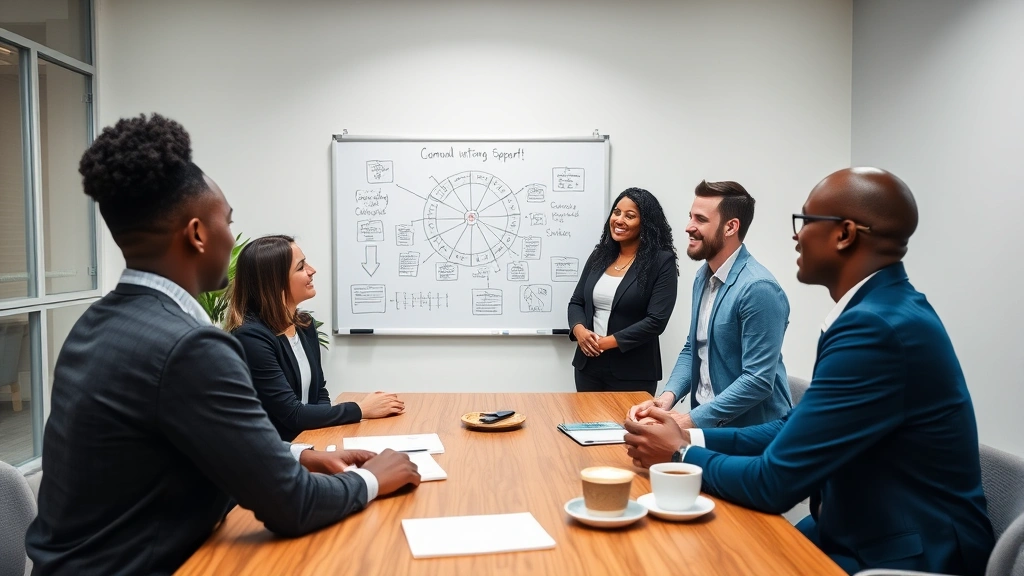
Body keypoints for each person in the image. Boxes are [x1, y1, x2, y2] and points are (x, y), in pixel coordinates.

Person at [25, 114, 421, 575]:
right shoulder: (189, 347)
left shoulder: (96, 325)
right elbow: (290, 506)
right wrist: (373, 478)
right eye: (228, 223)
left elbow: (191, 445)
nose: (233, 238)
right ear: (197, 234)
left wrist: (301, 455)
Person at [623, 168, 994, 575]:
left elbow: (773, 485)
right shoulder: (874, 312)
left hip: (910, 551)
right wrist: (689, 434)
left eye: (805, 221)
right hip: (856, 523)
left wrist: (680, 452)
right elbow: (791, 427)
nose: (796, 236)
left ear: (845, 234)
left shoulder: (876, 329)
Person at [627, 180, 792, 429]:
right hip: (709, 425)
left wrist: (688, 421)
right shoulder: (703, 277)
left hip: (753, 435)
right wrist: (665, 399)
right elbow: (693, 348)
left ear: (730, 227)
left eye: (700, 220)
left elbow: (757, 380)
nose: (688, 227)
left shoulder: (758, 288)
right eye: (691, 217)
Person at [227, 235, 404, 441]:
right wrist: (361, 409)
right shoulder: (251, 338)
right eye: (301, 267)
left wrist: (323, 437)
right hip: (275, 455)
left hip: (308, 442)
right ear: (275, 282)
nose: (312, 271)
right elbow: (292, 414)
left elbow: (319, 392)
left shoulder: (304, 325)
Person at [567, 187, 679, 395]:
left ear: (646, 223)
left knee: (627, 428)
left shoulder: (661, 262)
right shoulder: (600, 255)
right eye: (616, 212)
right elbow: (577, 301)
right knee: (585, 427)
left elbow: (656, 321)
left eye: (630, 216)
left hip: (633, 370)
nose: (619, 220)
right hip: (588, 366)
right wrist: (580, 331)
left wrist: (605, 343)